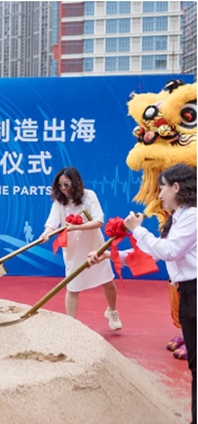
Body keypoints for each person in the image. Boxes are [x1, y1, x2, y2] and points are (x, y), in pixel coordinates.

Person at [89, 163, 196, 423]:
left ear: (176, 187)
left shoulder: (193, 215)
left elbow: (169, 251)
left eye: (162, 188)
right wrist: (110, 255)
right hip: (186, 292)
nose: (159, 195)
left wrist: (137, 229)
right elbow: (153, 254)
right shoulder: (179, 217)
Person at [40, 167, 122, 330]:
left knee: (107, 281)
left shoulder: (89, 196)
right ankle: (71, 325)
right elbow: (52, 222)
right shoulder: (59, 202)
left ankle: (112, 311)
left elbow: (99, 221)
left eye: (66, 184)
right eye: (60, 185)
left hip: (94, 246)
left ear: (76, 182)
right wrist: (46, 233)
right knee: (72, 287)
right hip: (73, 249)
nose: (63, 189)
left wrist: (77, 227)